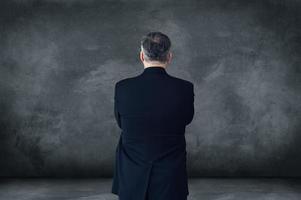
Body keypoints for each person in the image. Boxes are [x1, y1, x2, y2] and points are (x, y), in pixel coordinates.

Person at [111, 31, 194, 200]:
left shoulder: (123, 87)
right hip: (170, 179)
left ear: (142, 56)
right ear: (169, 57)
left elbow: (121, 123)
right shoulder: (185, 88)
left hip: (132, 177)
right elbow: (187, 119)